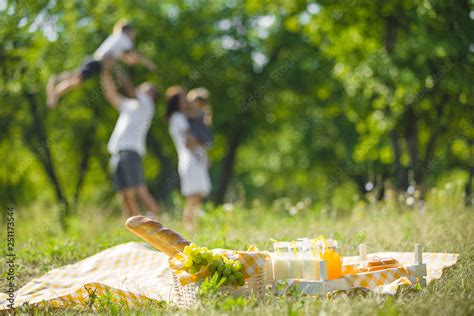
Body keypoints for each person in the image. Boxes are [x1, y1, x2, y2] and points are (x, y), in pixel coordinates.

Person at [46, 20, 157, 108]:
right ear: (128, 31)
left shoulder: (117, 38)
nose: (133, 37)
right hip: (98, 62)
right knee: (77, 79)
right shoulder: (123, 39)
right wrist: (148, 64)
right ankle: (56, 88)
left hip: (96, 62)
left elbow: (124, 57)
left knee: (77, 78)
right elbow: (133, 55)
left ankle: (57, 86)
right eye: (133, 34)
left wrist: (129, 61)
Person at [100, 57, 160, 218]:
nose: (141, 89)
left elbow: (128, 87)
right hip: (117, 153)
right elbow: (111, 94)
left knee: (140, 192)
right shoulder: (131, 106)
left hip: (131, 153)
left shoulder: (147, 104)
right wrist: (105, 72)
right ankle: (135, 231)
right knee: (124, 196)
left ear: (151, 95)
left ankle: (160, 227)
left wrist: (116, 66)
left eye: (146, 88)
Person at [166, 86, 211, 232]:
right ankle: (189, 227)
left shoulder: (181, 117)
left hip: (194, 159)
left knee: (197, 195)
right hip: (190, 160)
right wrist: (203, 144)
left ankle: (193, 226)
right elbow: (188, 141)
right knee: (193, 196)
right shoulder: (178, 118)